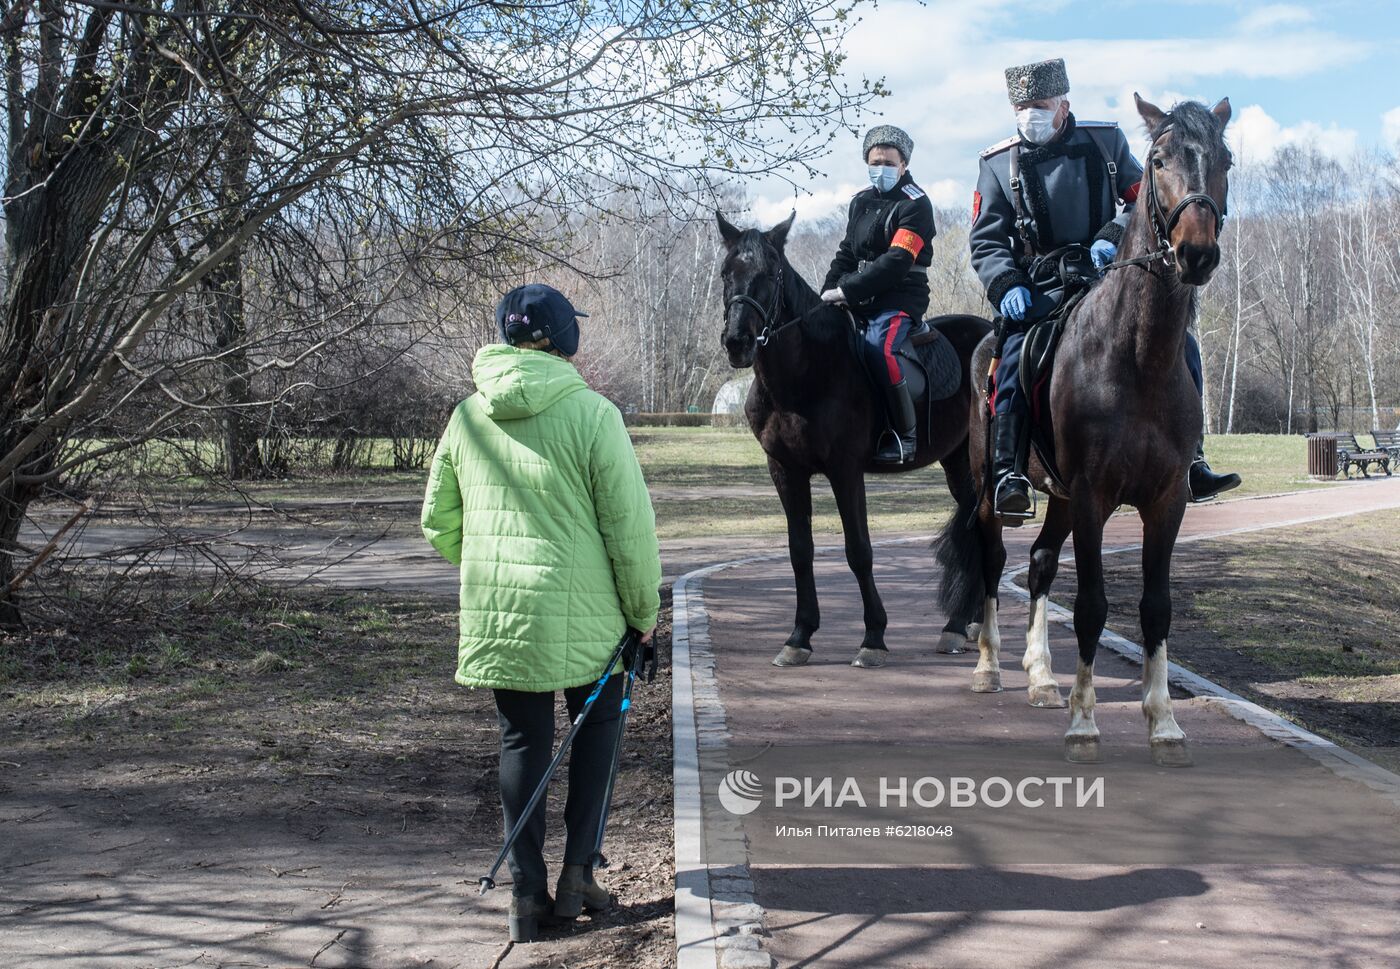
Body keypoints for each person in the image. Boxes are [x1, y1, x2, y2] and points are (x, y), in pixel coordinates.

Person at [420, 283, 661, 942]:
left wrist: (493, 566)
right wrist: (644, 613)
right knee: (600, 730)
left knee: (522, 742)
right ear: (562, 339)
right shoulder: (593, 414)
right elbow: (628, 529)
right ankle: (576, 876)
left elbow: (435, 519)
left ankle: (525, 894)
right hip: (595, 617)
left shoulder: (468, 416)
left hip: (506, 617)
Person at [969, 57, 1240, 517]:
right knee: (1012, 355)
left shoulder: (1104, 140)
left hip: (1108, 275)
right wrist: (1007, 282)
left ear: (1063, 105)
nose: (1029, 114)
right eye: (1022, 106)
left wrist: (1109, 238)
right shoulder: (998, 163)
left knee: (1184, 347)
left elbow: (1145, 197)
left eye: (1039, 104)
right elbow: (986, 238)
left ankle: (1192, 459)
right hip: (1041, 286)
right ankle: (1009, 470)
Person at [821, 124, 937, 465]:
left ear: (903, 164)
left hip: (900, 296)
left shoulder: (917, 204)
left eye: (888, 162)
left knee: (878, 347)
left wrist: (847, 290)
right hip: (858, 295)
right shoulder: (860, 201)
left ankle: (905, 435)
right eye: (875, 162)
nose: (881, 168)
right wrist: (826, 292)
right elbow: (846, 252)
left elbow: (898, 261)